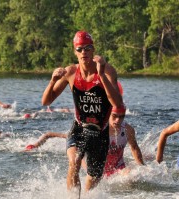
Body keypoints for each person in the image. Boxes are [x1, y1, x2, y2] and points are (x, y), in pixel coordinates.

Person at [41, 30, 123, 196]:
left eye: (87, 48)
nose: (84, 52)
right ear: (75, 51)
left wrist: (100, 75)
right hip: (79, 128)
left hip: (100, 133)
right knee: (75, 161)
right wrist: (52, 81)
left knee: (92, 181)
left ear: (93, 50)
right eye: (80, 49)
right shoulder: (70, 72)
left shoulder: (107, 71)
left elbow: (117, 103)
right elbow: (46, 102)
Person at [25, 105, 144, 177]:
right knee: (63, 136)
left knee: (131, 177)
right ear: (107, 115)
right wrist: (88, 169)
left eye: (121, 116)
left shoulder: (128, 129)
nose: (118, 120)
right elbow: (80, 154)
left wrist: (142, 167)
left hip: (118, 167)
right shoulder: (95, 129)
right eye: (114, 116)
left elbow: (134, 148)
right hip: (95, 168)